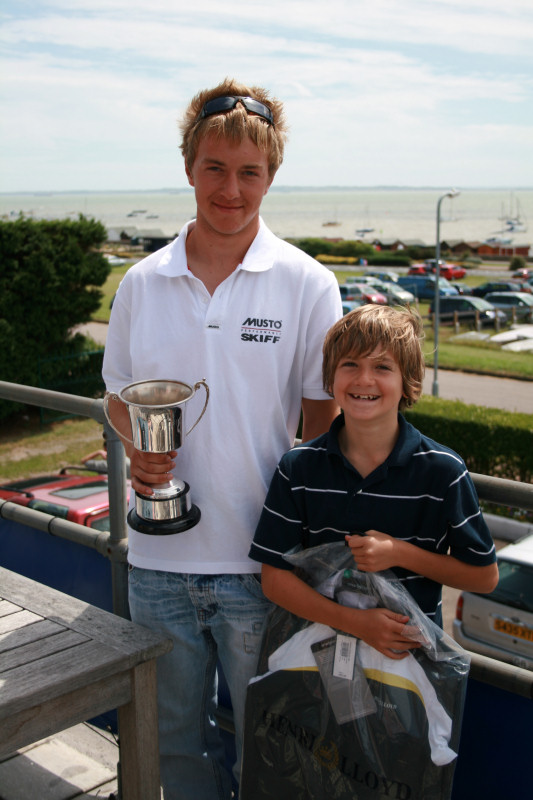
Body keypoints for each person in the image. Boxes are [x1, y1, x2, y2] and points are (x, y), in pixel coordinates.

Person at [102, 78, 343, 800]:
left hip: (261, 569)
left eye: (249, 172)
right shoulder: (142, 283)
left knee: (266, 755)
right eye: (215, 168)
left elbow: (321, 419)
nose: (230, 189)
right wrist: (138, 448)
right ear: (188, 168)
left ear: (270, 176)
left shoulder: (307, 283)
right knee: (172, 749)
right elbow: (117, 398)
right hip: (155, 563)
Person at [249, 304, 499, 658]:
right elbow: (274, 579)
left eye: (382, 367)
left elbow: (483, 576)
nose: (364, 380)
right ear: (330, 378)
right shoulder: (299, 467)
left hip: (412, 672)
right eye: (349, 364)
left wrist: (399, 553)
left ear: (407, 381)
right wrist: (356, 623)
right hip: (313, 668)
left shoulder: (443, 471)